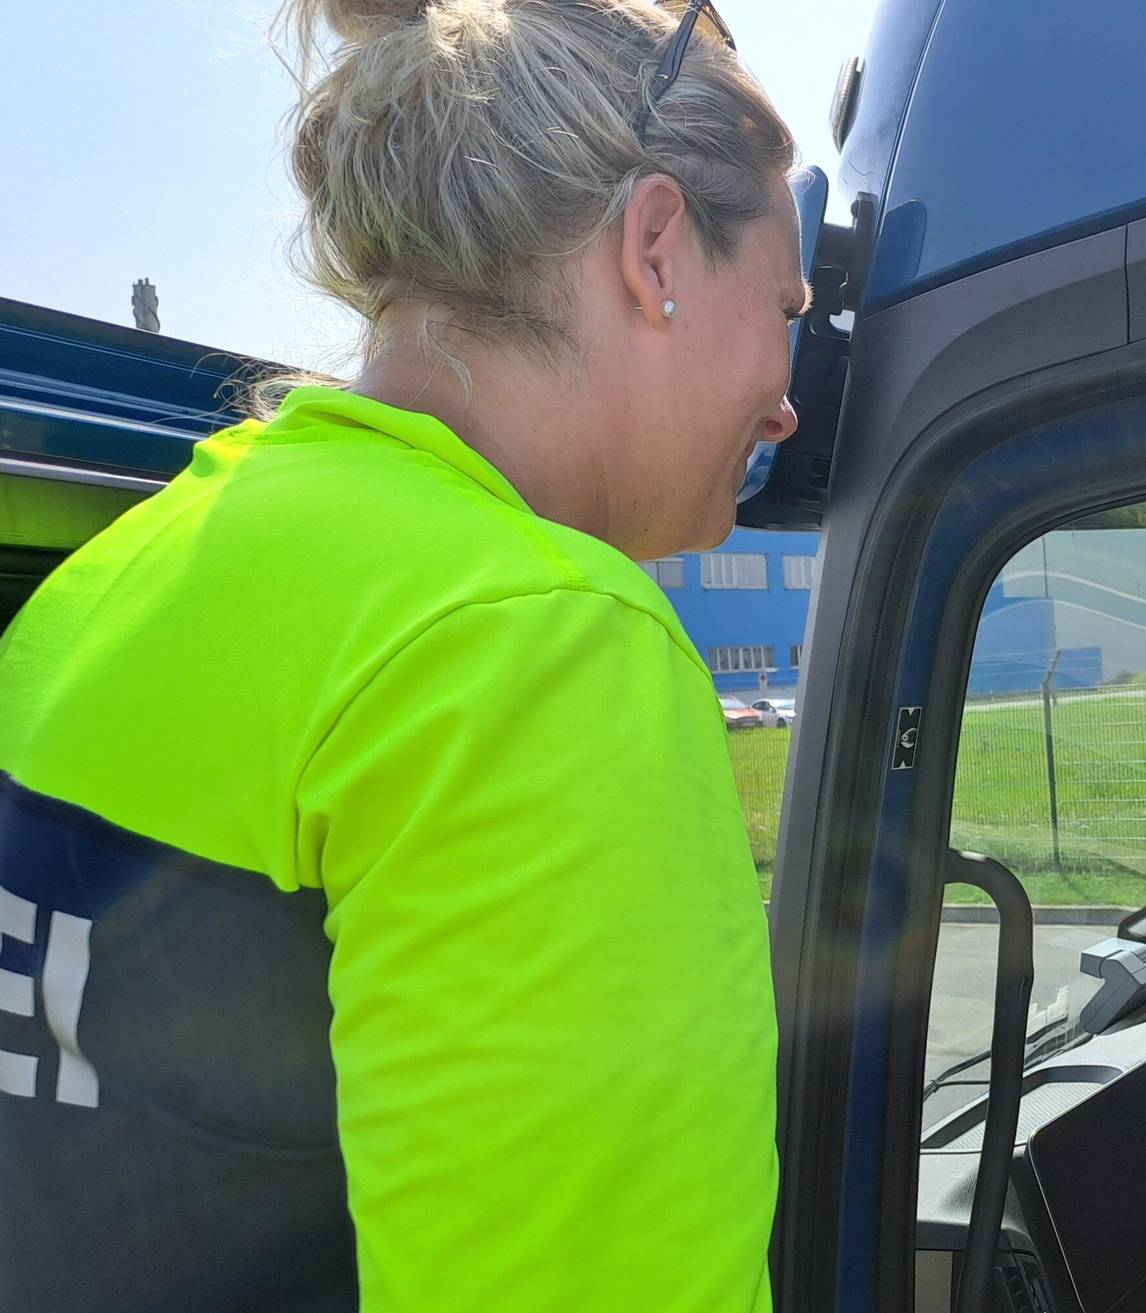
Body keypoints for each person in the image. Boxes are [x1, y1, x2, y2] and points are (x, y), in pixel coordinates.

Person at [0, 2, 806, 1310]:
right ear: (656, 247)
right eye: (786, 304)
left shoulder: (126, 568)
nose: (784, 397)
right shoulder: (537, 640)